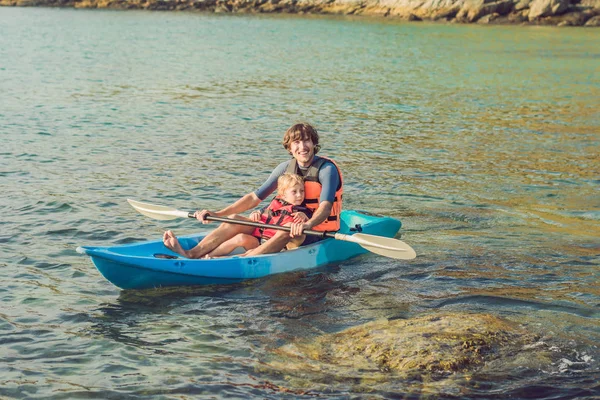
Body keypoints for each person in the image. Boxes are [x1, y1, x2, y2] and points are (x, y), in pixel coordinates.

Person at [163, 122, 343, 259]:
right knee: (233, 219)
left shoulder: (327, 170)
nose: (302, 147)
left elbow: (325, 207)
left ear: (314, 143)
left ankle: (247, 259)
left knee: (288, 228)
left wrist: (307, 225)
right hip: (281, 227)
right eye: (296, 142)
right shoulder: (285, 168)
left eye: (306, 141)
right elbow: (254, 198)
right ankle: (191, 254)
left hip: (314, 233)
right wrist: (218, 213)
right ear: (289, 148)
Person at [198, 173, 312, 258]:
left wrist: (304, 217)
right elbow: (265, 214)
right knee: (240, 237)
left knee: (248, 253)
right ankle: (207, 256)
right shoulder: (275, 203)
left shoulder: (301, 210)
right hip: (260, 240)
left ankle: (225, 260)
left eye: (302, 191)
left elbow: (309, 221)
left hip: (278, 246)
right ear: (283, 194)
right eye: (294, 192)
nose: (299, 195)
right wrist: (256, 213)